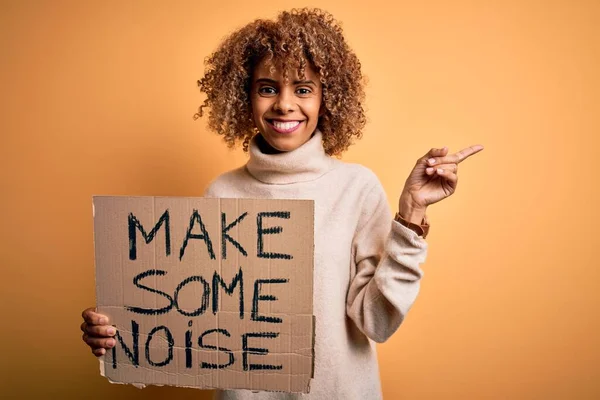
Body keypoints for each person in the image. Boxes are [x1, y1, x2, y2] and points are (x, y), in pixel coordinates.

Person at [81, 7, 484, 399]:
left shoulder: (356, 188)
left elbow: (376, 321)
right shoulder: (220, 194)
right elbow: (190, 316)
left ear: (328, 98)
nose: (284, 105)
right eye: (268, 88)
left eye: (303, 89)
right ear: (246, 97)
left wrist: (412, 215)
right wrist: (124, 330)